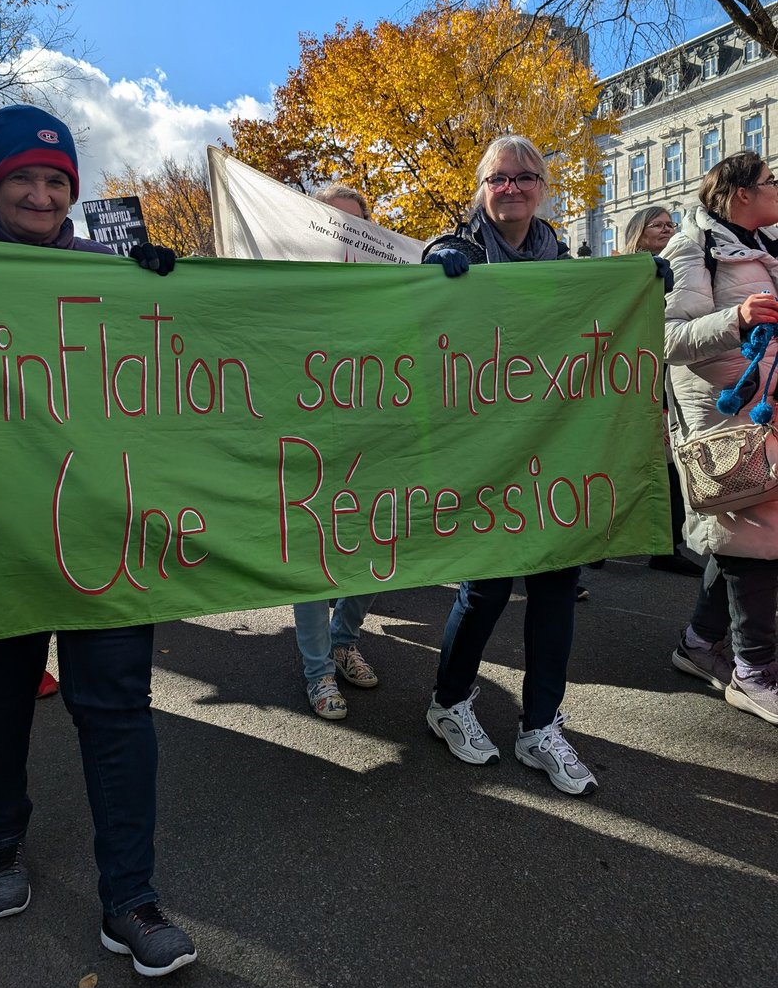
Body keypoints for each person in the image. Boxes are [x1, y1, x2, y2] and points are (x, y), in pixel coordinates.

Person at [0, 105, 197, 976]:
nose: (45, 192)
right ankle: (0, 841)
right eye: (26, 177)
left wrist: (171, 289)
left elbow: (184, 362)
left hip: (104, 535)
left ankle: (129, 898)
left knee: (119, 711)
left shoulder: (111, 273)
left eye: (59, 181)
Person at [420, 135, 598, 795]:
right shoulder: (458, 250)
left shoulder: (567, 261)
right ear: (482, 189)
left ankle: (541, 725)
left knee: (555, 585)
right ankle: (449, 702)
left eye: (526, 177)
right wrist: (439, 269)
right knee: (487, 585)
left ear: (543, 186)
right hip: (481, 450)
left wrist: (641, 280)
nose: (513, 187)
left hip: (554, 447)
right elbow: (427, 275)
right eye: (499, 178)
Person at [662, 151, 778, 723]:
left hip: (768, 411)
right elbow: (668, 337)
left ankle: (699, 642)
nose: (777, 188)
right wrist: (737, 319)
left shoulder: (767, 246)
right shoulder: (691, 247)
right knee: (755, 537)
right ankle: (754, 672)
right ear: (738, 195)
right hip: (727, 420)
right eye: (768, 181)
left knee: (741, 534)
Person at [294, 183, 379, 719]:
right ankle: (318, 670)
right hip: (305, 439)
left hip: (374, 437)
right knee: (310, 559)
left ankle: (344, 638)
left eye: (354, 226)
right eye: (331, 223)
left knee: (376, 546)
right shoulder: (288, 285)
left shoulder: (392, 287)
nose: (343, 236)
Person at [622, 205, 703, 578]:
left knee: (667, 467)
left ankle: (666, 545)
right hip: (627, 382)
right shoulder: (620, 274)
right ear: (639, 233)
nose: (668, 229)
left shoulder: (684, 264)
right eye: (659, 224)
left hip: (665, 380)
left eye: (672, 224)